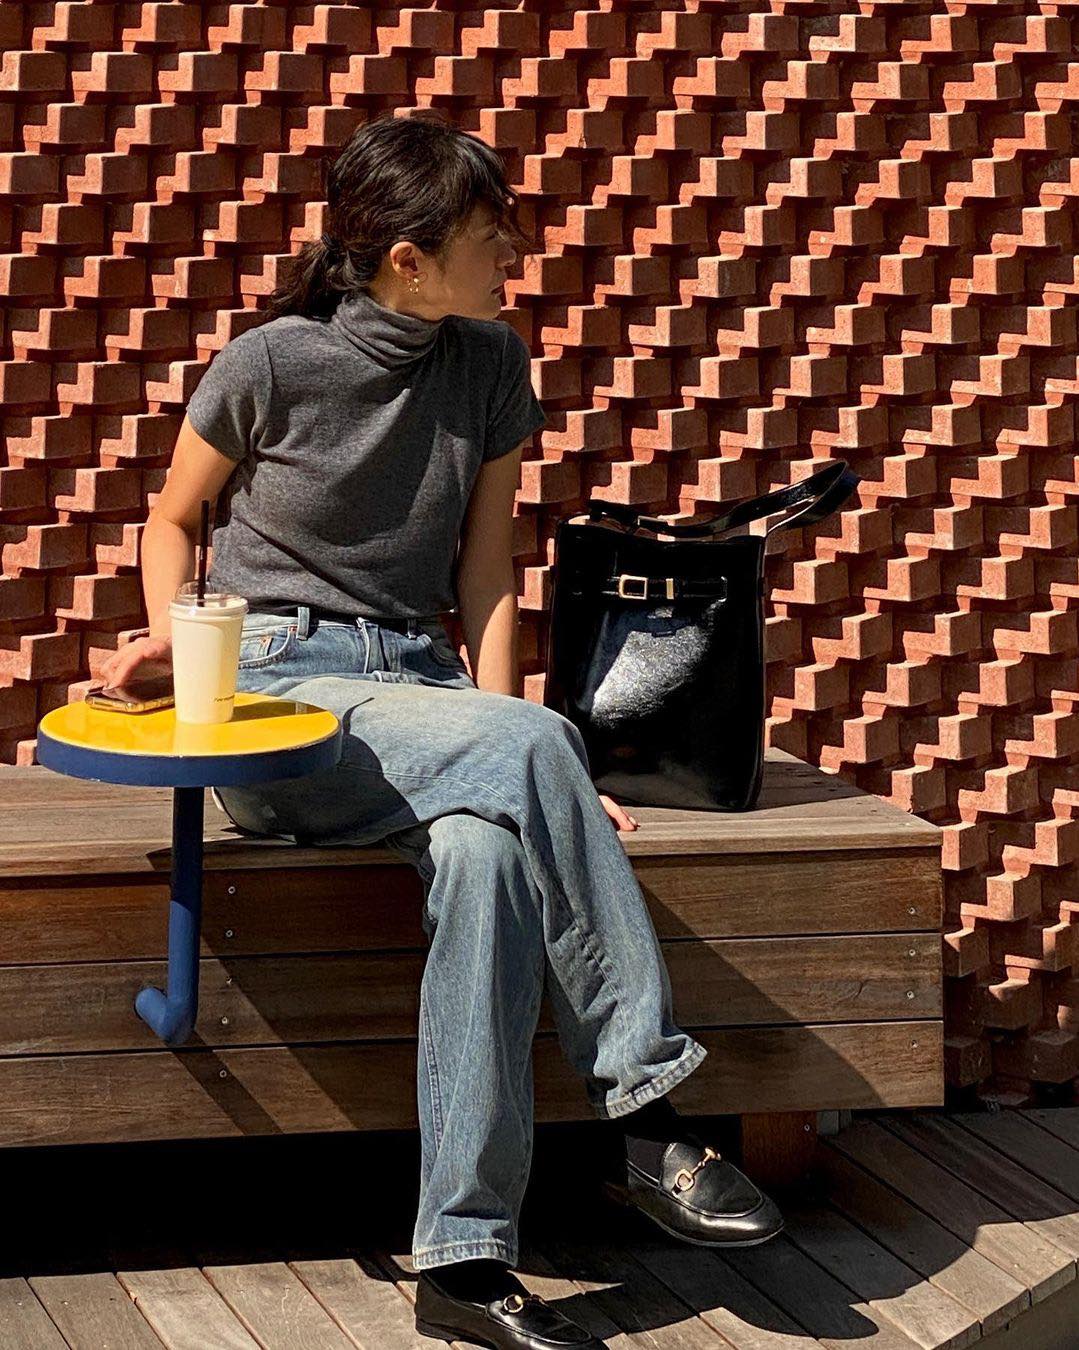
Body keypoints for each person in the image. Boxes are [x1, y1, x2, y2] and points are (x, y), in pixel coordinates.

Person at [100, 112, 783, 1350]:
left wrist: (514, 756)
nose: (513, 251)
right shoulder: (269, 363)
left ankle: (462, 1264)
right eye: (489, 235)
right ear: (406, 258)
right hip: (278, 691)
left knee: (487, 854)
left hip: (418, 689)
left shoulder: (489, 364)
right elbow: (171, 519)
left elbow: (485, 574)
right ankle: (645, 1113)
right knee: (532, 750)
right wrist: (176, 645)